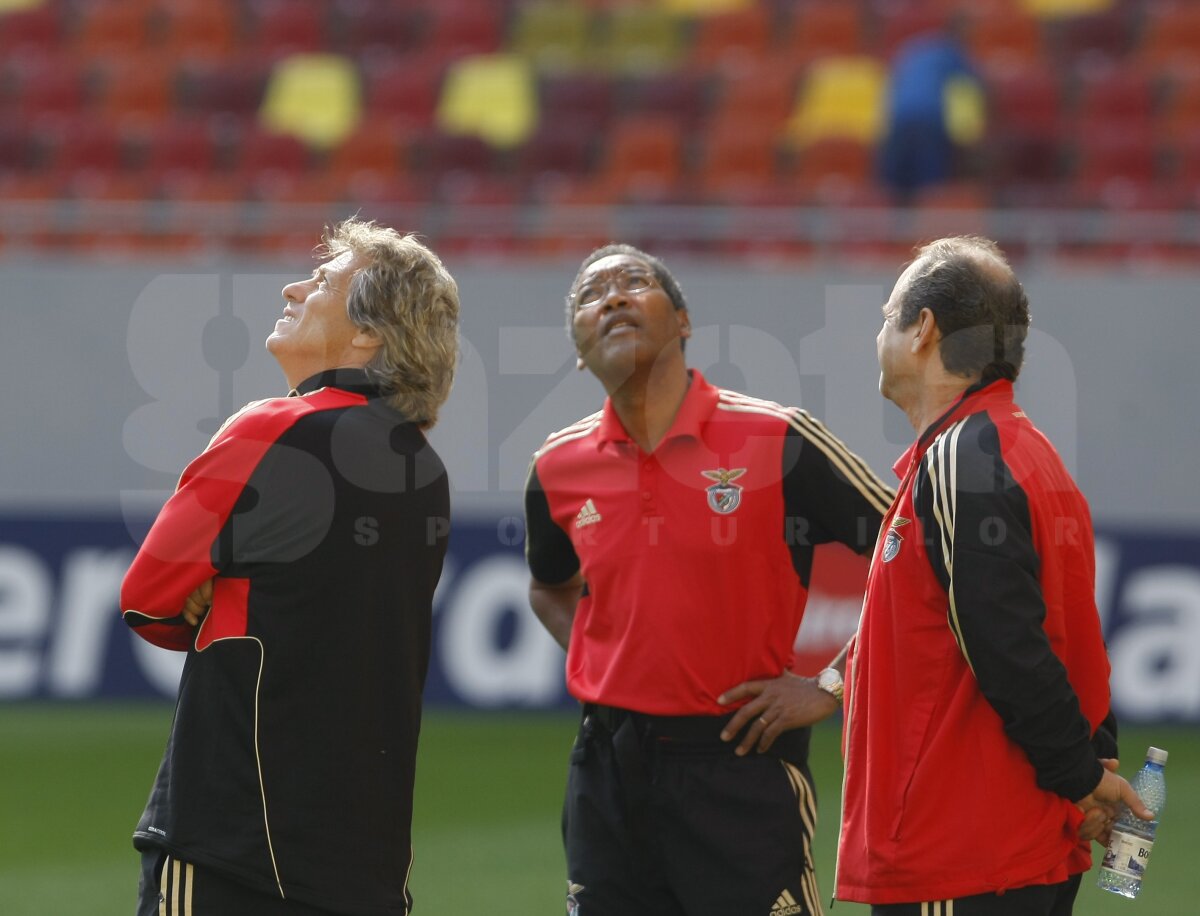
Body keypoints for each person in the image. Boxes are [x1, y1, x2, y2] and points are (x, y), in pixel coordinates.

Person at [522, 243, 893, 916]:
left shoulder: (779, 438)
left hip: (740, 764)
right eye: (590, 295)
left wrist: (835, 683)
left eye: (634, 282)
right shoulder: (557, 465)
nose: (612, 298)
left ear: (684, 321)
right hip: (607, 769)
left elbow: (919, 550)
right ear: (578, 350)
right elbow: (550, 586)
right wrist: (600, 652)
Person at [121, 218, 460, 916]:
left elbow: (149, 597)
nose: (293, 285)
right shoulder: (425, 470)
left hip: (235, 841)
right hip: (365, 859)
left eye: (325, 281)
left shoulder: (271, 426)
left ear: (368, 333)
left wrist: (213, 592)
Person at [836, 236, 1152, 915]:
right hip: (1010, 850)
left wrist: (1078, 777)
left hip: (959, 852)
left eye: (888, 314)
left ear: (922, 330)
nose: (877, 333)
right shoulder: (1025, 452)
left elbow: (1005, 645)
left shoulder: (961, 459)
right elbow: (1076, 643)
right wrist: (1091, 765)